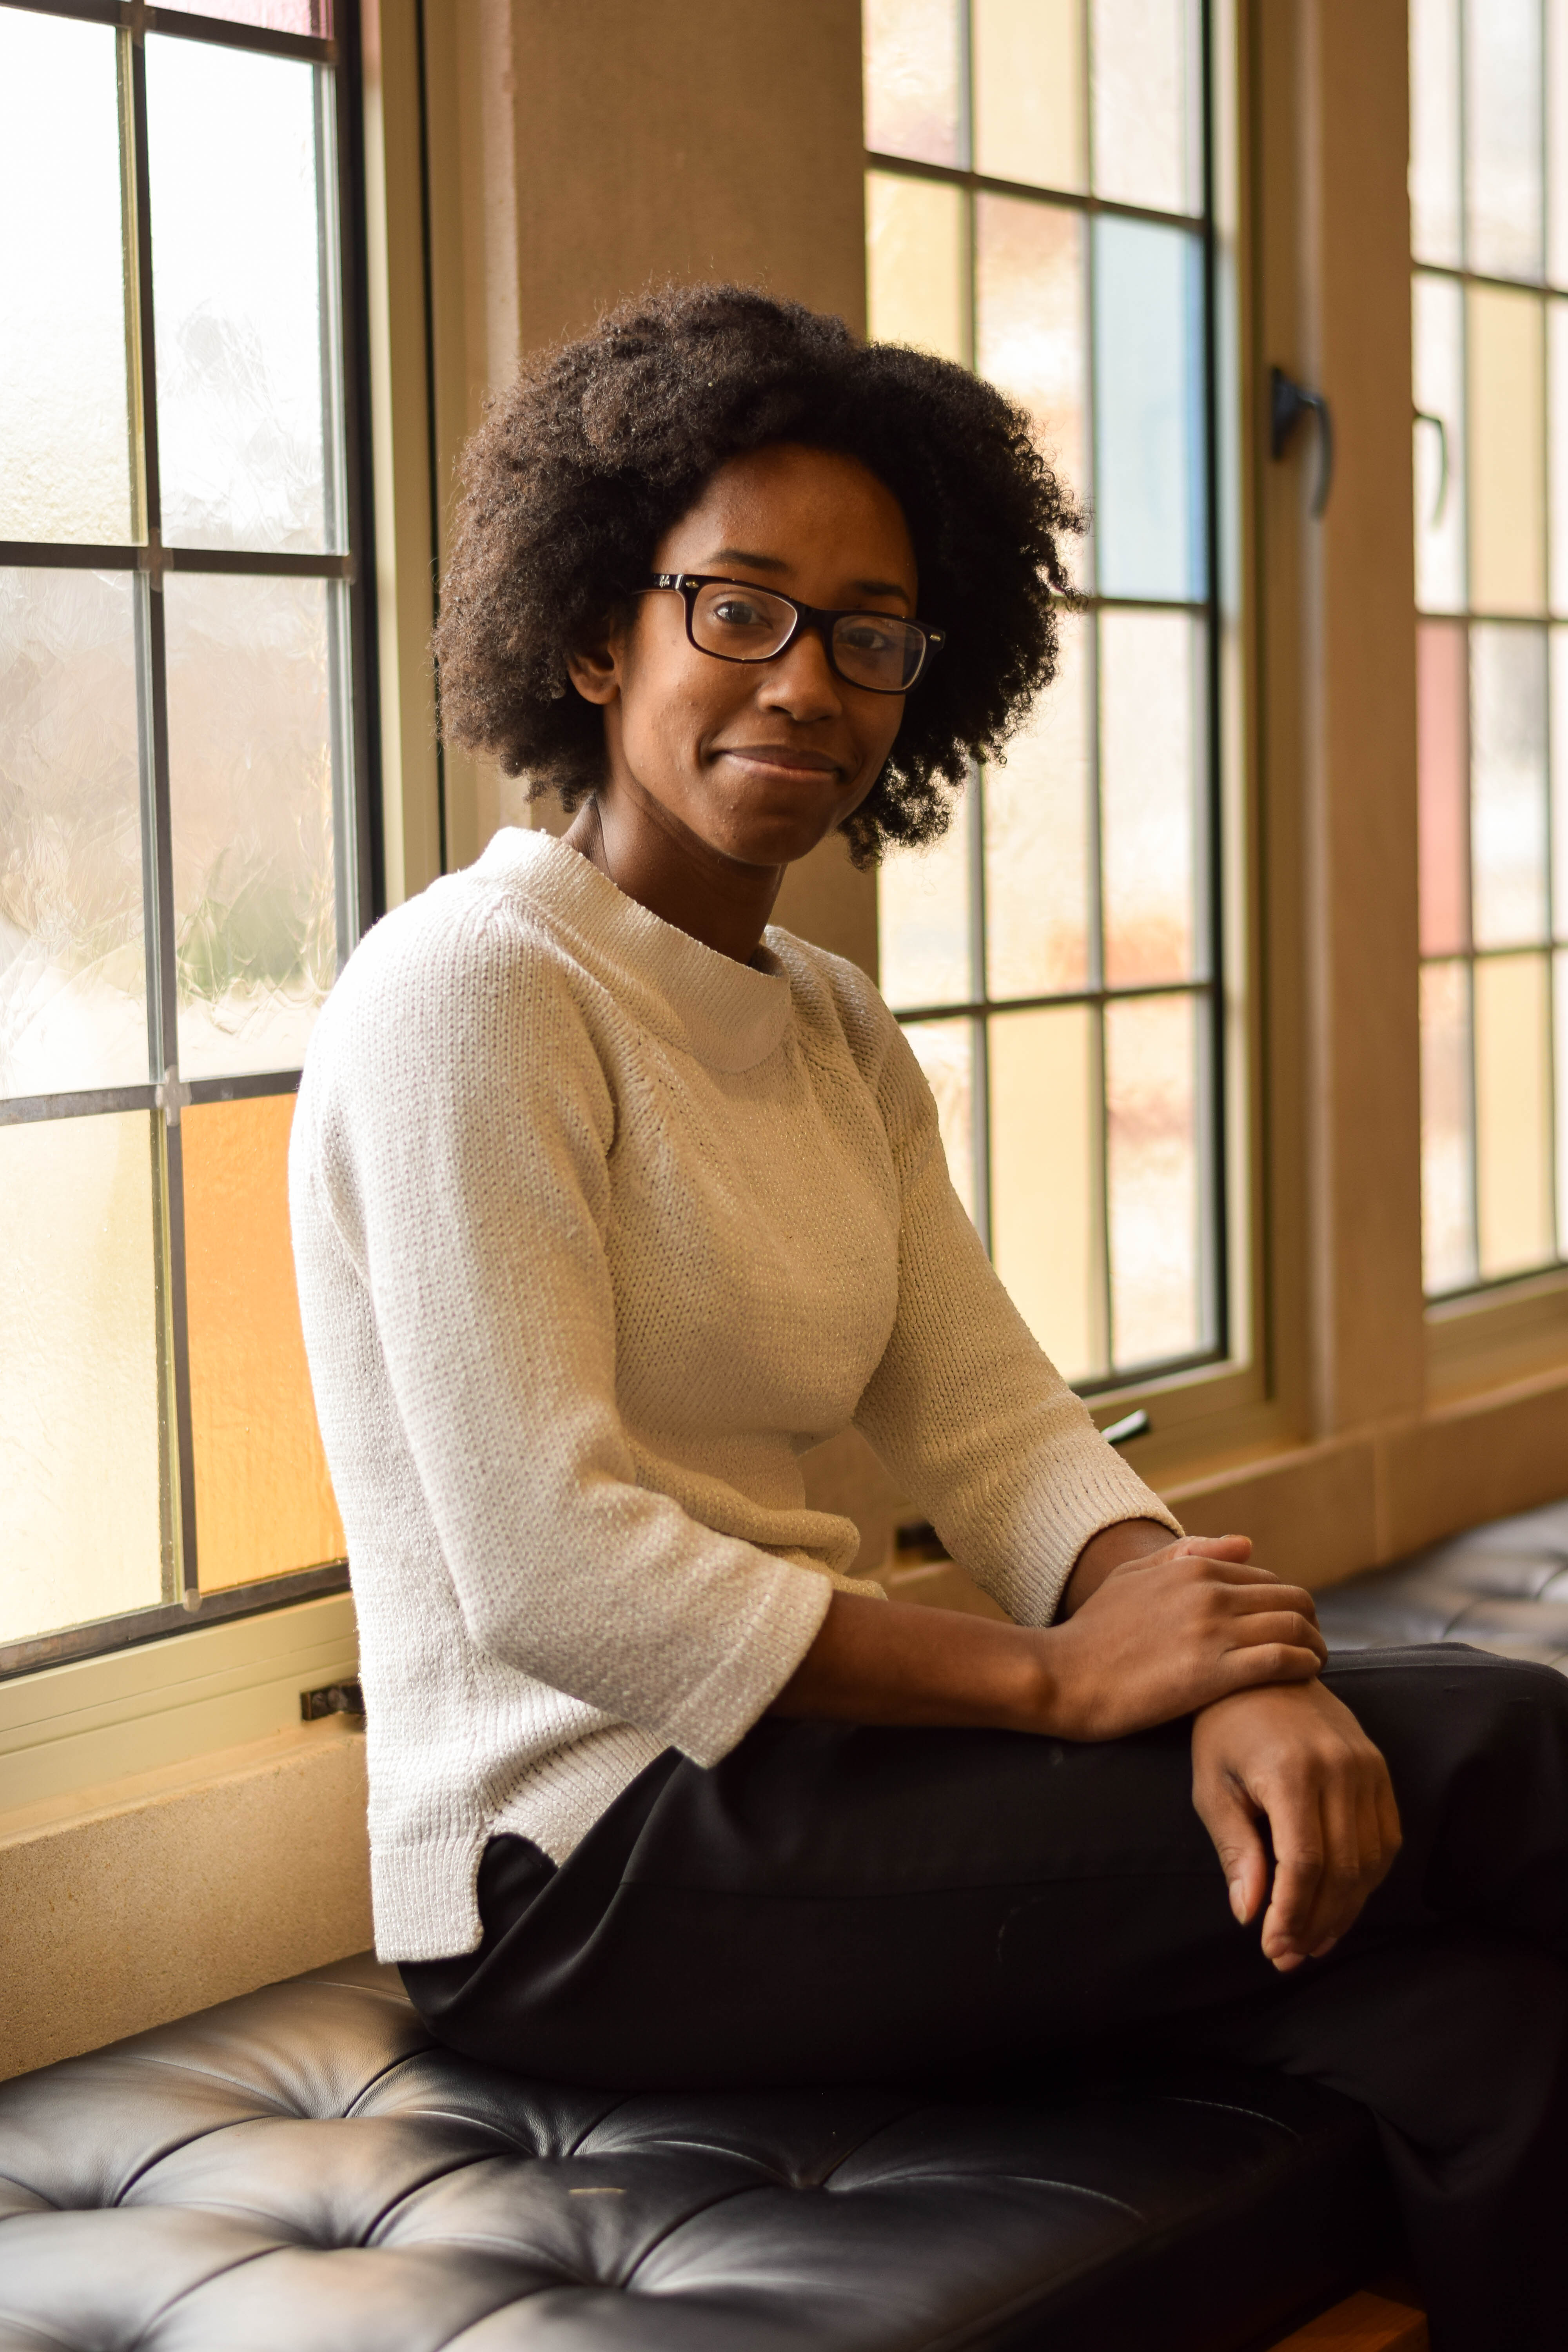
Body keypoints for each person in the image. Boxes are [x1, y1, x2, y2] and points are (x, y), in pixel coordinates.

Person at [290, 283, 1568, 2350]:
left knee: (1484, 2035)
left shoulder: (826, 1026)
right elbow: (557, 1576)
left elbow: (993, 1424)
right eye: (744, 610)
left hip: (818, 1790)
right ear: (599, 630)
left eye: (868, 636)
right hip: (585, 1867)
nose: (808, 682)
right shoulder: (474, 994)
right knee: (1511, 1742)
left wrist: (1216, 1660)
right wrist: (1073, 1690)